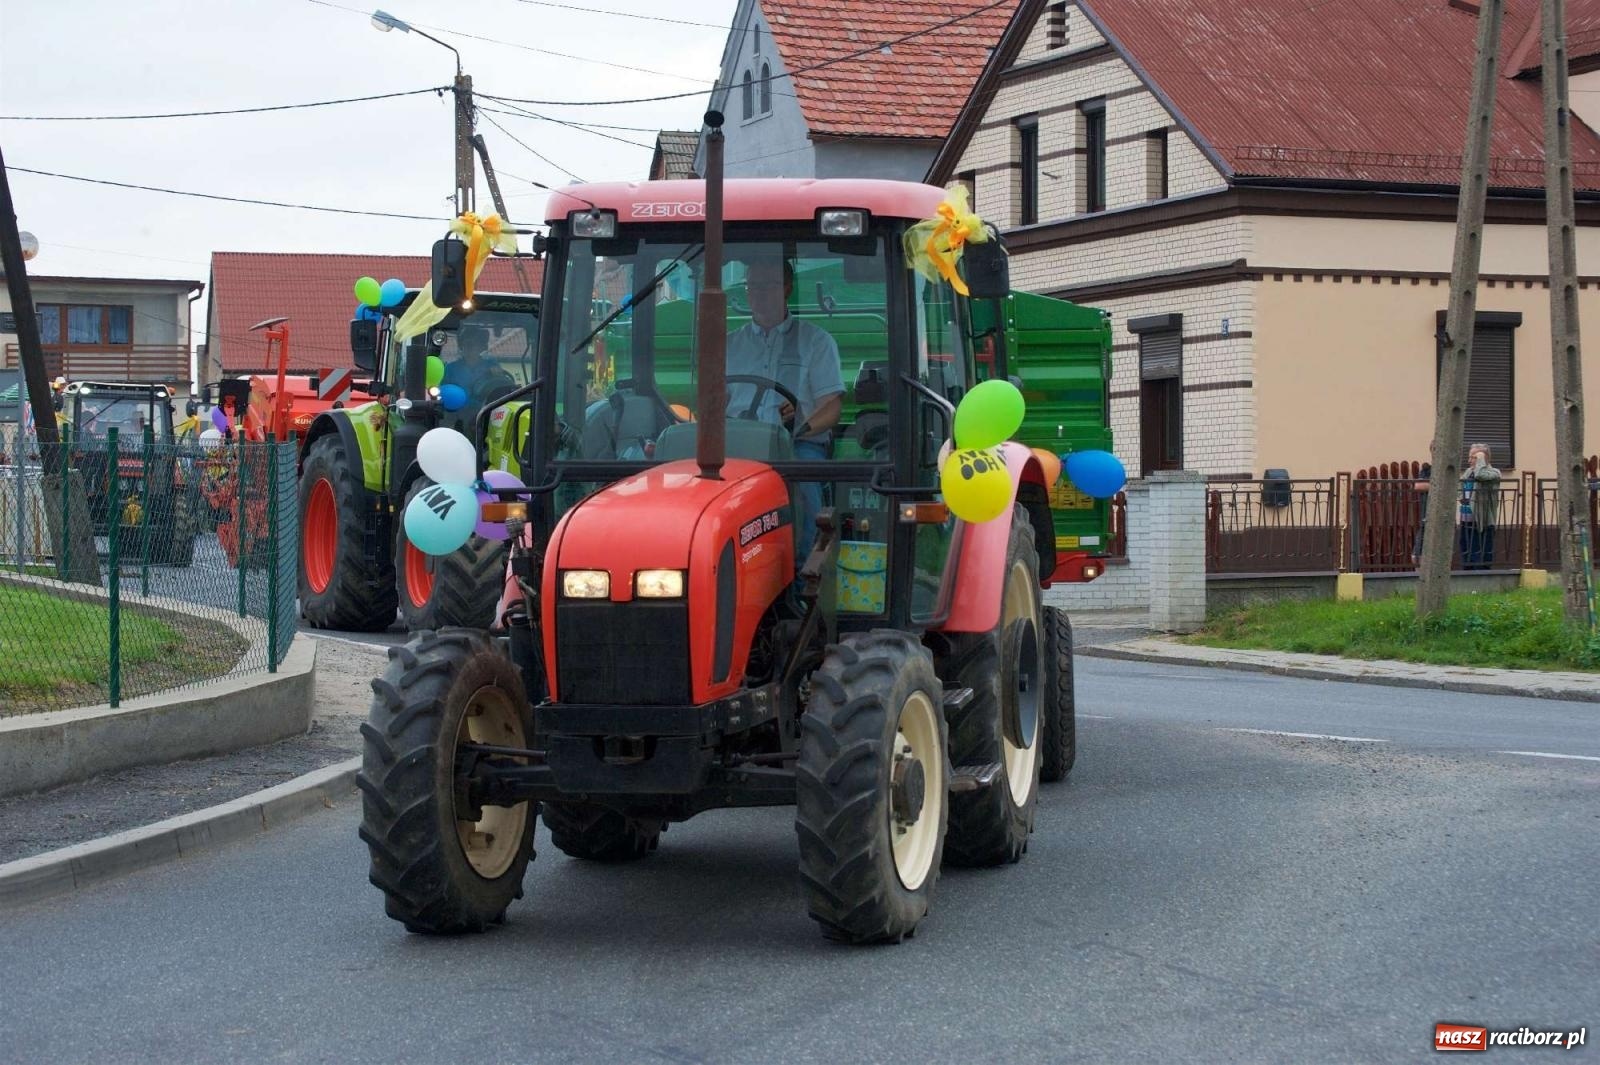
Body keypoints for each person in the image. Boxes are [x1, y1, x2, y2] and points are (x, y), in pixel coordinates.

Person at [725, 257, 844, 566]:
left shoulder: (816, 342)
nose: (758, 293)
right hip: (738, 446)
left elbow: (831, 406)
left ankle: (804, 569)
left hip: (797, 445)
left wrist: (800, 424)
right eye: (753, 286)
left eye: (768, 286)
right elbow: (711, 402)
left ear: (787, 289)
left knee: (803, 490)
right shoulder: (728, 345)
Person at [1458, 442, 1501, 570]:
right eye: (1469, 457)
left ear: (1484, 458)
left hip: (1482, 519)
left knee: (1480, 552)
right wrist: (1461, 497)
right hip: (1466, 518)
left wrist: (1481, 459)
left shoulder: (1494, 472)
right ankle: (1467, 578)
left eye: (1473, 457)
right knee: (1466, 550)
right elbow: (1460, 484)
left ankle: (1482, 579)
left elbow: (1480, 475)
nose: (1469, 460)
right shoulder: (1468, 471)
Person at [442, 327, 489, 393]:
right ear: (461, 346)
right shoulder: (450, 369)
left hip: (490, 403)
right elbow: (444, 391)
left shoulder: (491, 366)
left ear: (482, 347)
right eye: (467, 343)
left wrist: (498, 374)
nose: (470, 347)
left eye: (474, 343)